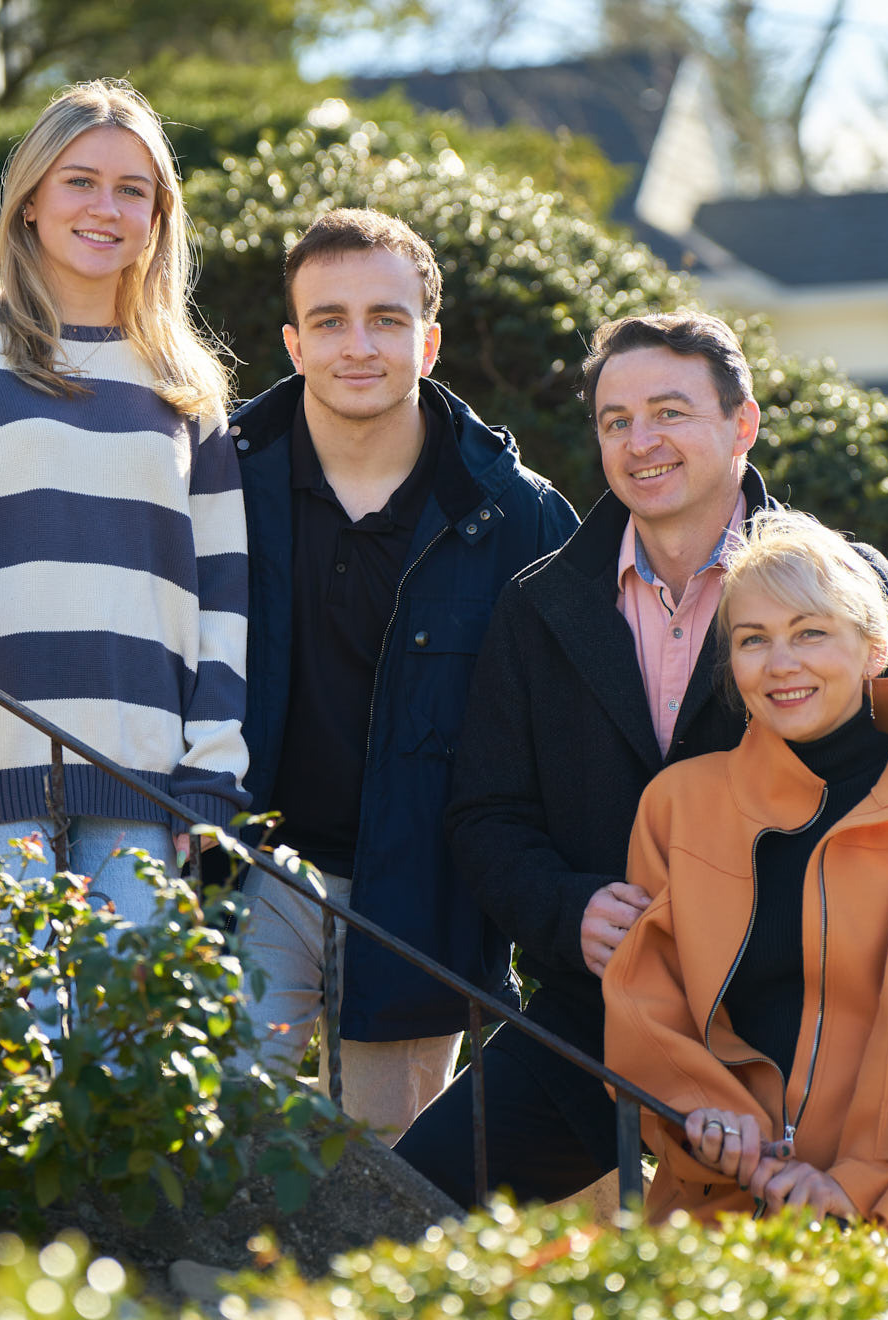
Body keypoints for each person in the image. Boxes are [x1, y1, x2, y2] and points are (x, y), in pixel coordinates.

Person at [394, 310, 888, 1207]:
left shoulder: (837, 580)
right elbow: (486, 815)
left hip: (822, 1030)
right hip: (613, 1016)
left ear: (741, 425)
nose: (642, 442)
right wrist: (568, 907)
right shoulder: (541, 606)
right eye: (615, 420)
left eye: (670, 412)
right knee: (403, 1194)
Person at [0, 79, 247, 923]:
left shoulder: (188, 391)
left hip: (144, 770)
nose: (105, 208)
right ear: (30, 200)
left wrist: (212, 772)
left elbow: (222, 604)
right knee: (3, 1042)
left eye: (131, 190)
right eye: (80, 181)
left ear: (158, 218)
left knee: (126, 1045)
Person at [225, 208, 578, 1143]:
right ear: (295, 344)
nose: (358, 345)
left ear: (428, 342)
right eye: (330, 320)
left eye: (386, 319)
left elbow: (572, 727)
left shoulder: (517, 518)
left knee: (393, 1182)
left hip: (425, 904)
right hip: (254, 871)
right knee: (218, 1132)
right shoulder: (214, 481)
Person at [601, 509, 888, 1226]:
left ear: (873, 649)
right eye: (754, 640)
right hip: (734, 1199)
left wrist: (860, 1179)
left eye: (811, 632)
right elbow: (643, 997)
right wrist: (702, 1112)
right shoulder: (677, 807)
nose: (782, 664)